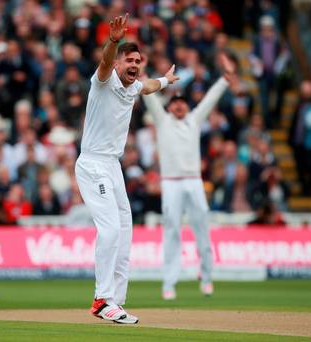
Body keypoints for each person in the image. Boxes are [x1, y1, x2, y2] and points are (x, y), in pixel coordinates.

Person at [75, 13, 178, 324]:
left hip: (112, 165)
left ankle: (116, 301)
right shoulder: (103, 81)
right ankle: (101, 299)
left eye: (138, 60)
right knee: (108, 230)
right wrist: (113, 41)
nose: (134, 65)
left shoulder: (133, 87)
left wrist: (164, 81)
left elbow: (145, 87)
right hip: (93, 162)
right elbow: (105, 63)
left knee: (124, 230)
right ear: (118, 63)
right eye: (129, 60)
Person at [142, 53, 238, 300]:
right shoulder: (162, 121)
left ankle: (206, 278)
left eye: (183, 103)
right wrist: (142, 73)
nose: (179, 105)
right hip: (171, 183)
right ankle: (169, 283)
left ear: (187, 106)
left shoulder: (194, 120)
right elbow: (150, 99)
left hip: (194, 182)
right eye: (175, 103)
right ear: (170, 106)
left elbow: (210, 98)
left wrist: (226, 77)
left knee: (202, 230)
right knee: (172, 231)